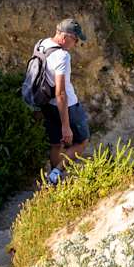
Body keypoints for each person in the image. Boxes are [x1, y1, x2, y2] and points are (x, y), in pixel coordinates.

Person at [36, 18, 90, 185]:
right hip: (67, 106)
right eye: (75, 40)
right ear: (66, 37)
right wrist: (66, 126)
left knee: (55, 143)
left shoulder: (41, 44)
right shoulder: (62, 56)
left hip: (46, 103)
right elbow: (61, 93)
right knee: (82, 141)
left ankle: (53, 180)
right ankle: (57, 172)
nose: (75, 44)